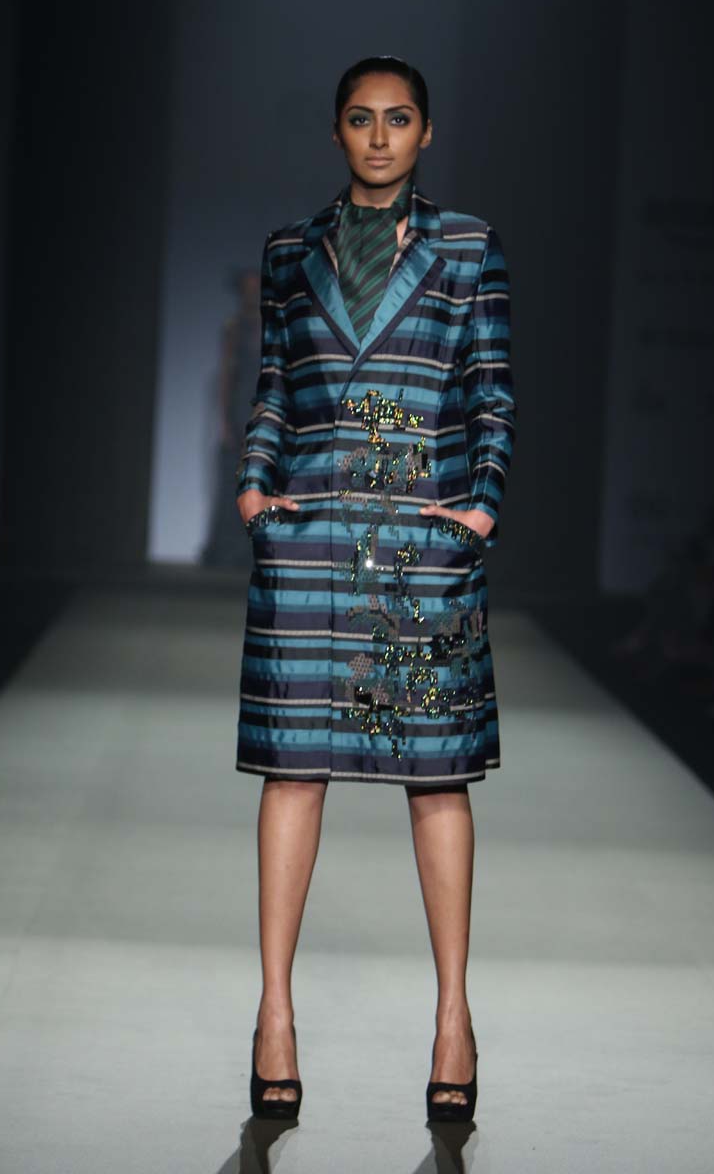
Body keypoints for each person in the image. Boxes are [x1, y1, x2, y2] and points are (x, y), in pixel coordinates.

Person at [235, 54, 516, 1122]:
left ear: (426, 132)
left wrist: (480, 507)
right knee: (291, 771)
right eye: (362, 118)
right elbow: (275, 386)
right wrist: (255, 487)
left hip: (417, 542)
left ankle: (452, 1018)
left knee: (436, 778)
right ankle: (274, 1014)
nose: (381, 136)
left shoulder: (468, 247)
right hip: (310, 537)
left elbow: (491, 394)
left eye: (399, 119)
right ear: (338, 131)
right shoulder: (288, 251)